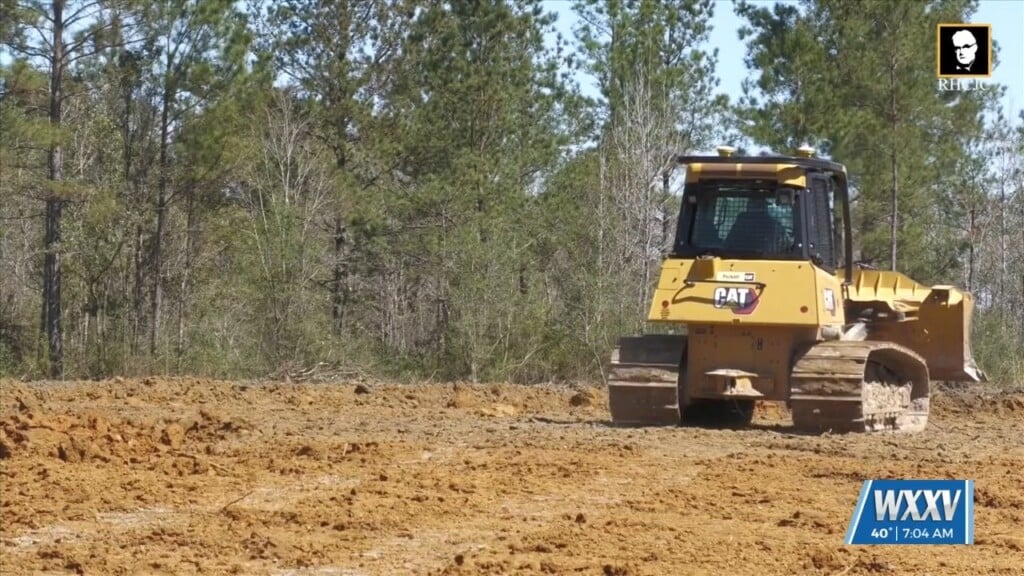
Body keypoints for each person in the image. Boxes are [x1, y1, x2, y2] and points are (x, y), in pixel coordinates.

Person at [725, 196, 791, 254]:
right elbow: (786, 248)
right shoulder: (775, 226)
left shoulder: (741, 223)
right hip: (770, 263)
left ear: (749, 206)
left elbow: (728, 245)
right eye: (763, 206)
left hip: (737, 261)